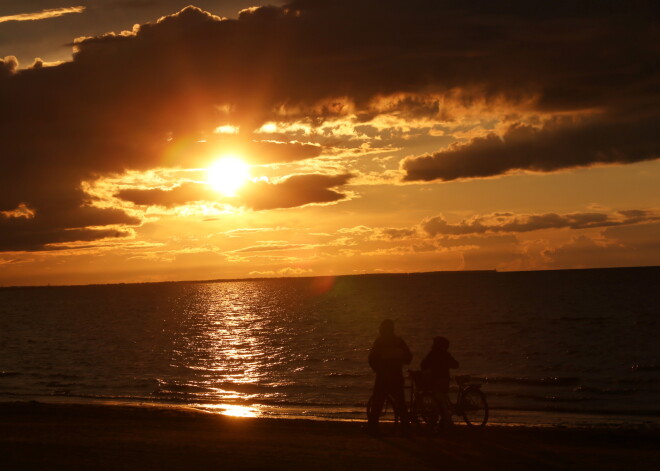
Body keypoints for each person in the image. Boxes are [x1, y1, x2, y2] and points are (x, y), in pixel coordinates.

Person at [367, 319, 412, 434]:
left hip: (382, 376)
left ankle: (373, 427)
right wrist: (400, 360)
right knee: (400, 403)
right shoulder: (399, 341)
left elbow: (372, 358)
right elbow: (408, 357)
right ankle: (405, 427)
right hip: (396, 375)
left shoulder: (380, 341)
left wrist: (376, 368)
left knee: (377, 402)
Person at [420, 336, 459, 431]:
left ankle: (440, 422)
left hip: (435, 382)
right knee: (441, 401)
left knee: (437, 403)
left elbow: (423, 365)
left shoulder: (432, 354)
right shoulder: (446, 354)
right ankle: (443, 422)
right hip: (445, 382)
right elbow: (455, 365)